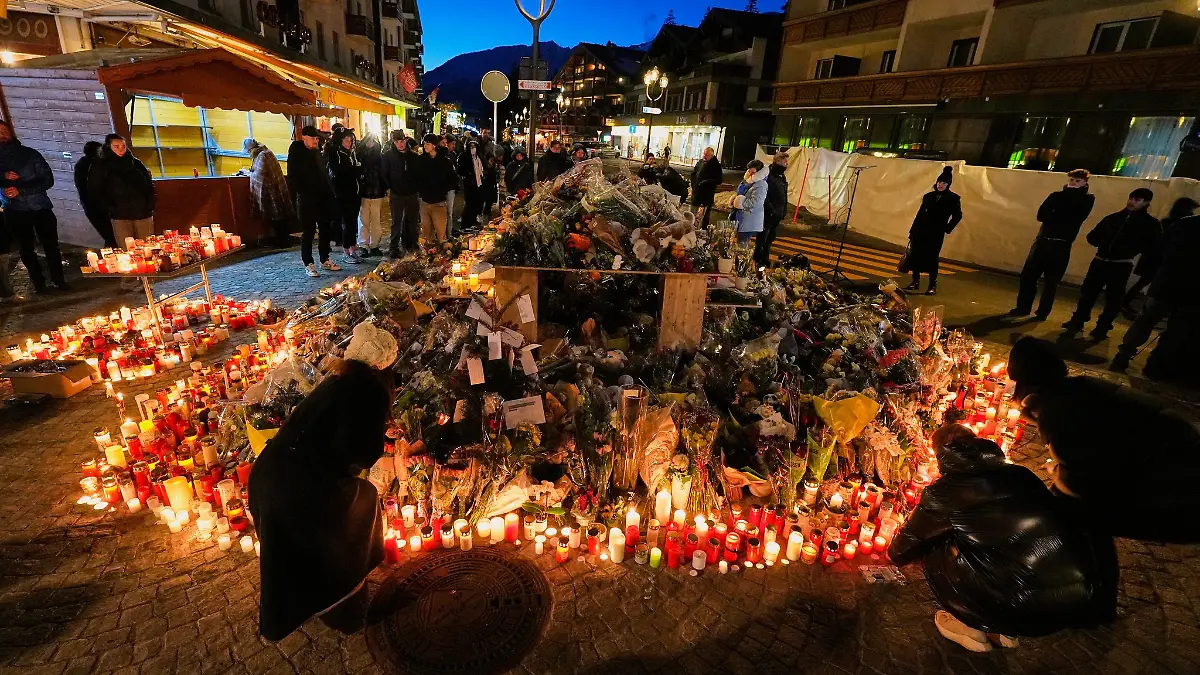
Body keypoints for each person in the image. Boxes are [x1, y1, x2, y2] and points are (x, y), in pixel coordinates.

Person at [889, 428, 1118, 652]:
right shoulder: (1021, 474)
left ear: (941, 455)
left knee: (935, 543)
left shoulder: (945, 492)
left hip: (1016, 605)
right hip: (1070, 600)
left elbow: (902, 550)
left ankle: (969, 626)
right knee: (992, 543)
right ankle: (1004, 632)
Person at [249, 321, 397, 641]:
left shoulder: (336, 381)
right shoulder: (370, 390)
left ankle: (324, 601)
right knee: (361, 503)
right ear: (383, 367)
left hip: (267, 476)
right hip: (301, 490)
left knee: (297, 546)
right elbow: (363, 453)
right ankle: (344, 599)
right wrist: (383, 439)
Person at [1009, 336, 1200, 542]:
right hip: (1184, 453)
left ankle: (1084, 569)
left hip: (1180, 493)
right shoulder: (1079, 388)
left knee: (1071, 517)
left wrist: (1056, 472)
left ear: (1028, 392)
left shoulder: (1055, 414)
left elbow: (1082, 486)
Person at [1062, 188, 1160, 339]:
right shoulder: (1114, 218)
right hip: (1100, 260)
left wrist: (1129, 247)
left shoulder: (1149, 224)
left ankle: (1103, 327)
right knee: (1088, 294)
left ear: (1146, 202)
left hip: (1121, 263)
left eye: (1137, 200)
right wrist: (1103, 242)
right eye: (1131, 198)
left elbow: (1152, 246)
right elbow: (1092, 236)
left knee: (1113, 299)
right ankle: (1078, 320)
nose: (1132, 202)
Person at [1111, 211, 1200, 374]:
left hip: (1166, 282)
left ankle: (1123, 355)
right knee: (1175, 329)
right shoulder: (1184, 224)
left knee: (1146, 321)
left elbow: (1158, 250)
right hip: (1192, 292)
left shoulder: (1184, 223)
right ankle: (1155, 364)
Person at [1010, 169, 1095, 320]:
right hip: (1043, 240)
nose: (1073, 183)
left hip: (1061, 244)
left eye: (1077, 181)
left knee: (1051, 281)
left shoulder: (1086, 199)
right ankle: (1023, 307)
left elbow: (1076, 217)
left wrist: (1057, 212)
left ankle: (1042, 312)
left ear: (1084, 183)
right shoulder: (1056, 196)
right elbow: (1041, 215)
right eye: (1072, 180)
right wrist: (1060, 214)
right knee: (1028, 276)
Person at [0, 120, 68, 294]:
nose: (2, 134)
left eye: (4, 130)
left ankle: (59, 280)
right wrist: (3, 176)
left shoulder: (30, 155)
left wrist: (21, 190)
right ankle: (39, 283)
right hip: (14, 210)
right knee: (26, 248)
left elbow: (47, 179)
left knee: (50, 245)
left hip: (40, 207)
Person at [1121, 197, 1198, 316]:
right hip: (1158, 260)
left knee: (1145, 283)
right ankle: (1129, 304)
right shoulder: (1175, 224)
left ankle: (1128, 303)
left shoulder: (1171, 222)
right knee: (1148, 284)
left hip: (1156, 259)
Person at [288, 125, 340, 277]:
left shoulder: (317, 152)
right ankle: (308, 263)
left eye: (317, 138)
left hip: (322, 198)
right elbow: (293, 177)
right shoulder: (296, 153)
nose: (315, 141)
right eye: (313, 138)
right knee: (308, 232)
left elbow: (323, 175)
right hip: (306, 199)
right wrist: (304, 192)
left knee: (325, 229)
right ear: (304, 137)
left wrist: (330, 194)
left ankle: (325, 259)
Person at [88, 133, 155, 250]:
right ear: (109, 146)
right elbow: (95, 189)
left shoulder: (136, 163)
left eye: (123, 146)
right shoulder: (101, 166)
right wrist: (109, 207)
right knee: (127, 249)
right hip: (119, 215)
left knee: (147, 247)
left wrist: (149, 204)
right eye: (116, 146)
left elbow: (148, 185)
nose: (121, 150)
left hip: (142, 212)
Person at [903, 166, 962, 296]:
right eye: (939, 182)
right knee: (915, 256)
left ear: (948, 184)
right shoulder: (928, 196)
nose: (941, 185)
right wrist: (912, 231)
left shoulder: (953, 198)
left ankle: (932, 285)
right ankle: (915, 282)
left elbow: (958, 215)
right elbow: (920, 214)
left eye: (944, 183)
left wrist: (947, 228)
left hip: (935, 233)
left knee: (932, 258)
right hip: (920, 231)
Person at [244, 139, 294, 248]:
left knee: (276, 217)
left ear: (251, 149)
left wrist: (249, 174)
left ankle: (283, 241)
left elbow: (260, 175)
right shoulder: (266, 153)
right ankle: (284, 240)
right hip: (277, 187)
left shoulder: (263, 156)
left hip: (272, 190)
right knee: (280, 217)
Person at [326, 128, 364, 264]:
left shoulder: (351, 153)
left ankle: (353, 248)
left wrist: (356, 171)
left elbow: (355, 170)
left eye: (350, 140)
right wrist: (356, 170)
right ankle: (347, 251)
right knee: (347, 223)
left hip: (355, 192)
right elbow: (342, 173)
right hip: (344, 194)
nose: (349, 143)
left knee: (353, 223)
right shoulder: (336, 154)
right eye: (346, 140)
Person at [383, 132, 420, 258]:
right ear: (394, 142)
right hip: (396, 193)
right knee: (396, 222)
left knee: (412, 220)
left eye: (403, 141)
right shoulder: (388, 156)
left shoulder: (413, 156)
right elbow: (385, 174)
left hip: (411, 193)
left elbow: (417, 174)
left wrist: (415, 187)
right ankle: (394, 247)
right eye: (398, 141)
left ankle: (411, 244)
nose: (401, 144)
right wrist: (390, 187)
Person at [417, 134, 458, 243]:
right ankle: (427, 257)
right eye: (424, 143)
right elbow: (415, 177)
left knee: (441, 236)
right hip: (425, 202)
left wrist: (442, 189)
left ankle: (441, 258)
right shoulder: (420, 160)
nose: (425, 146)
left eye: (428, 144)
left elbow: (453, 179)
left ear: (434, 145)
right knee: (426, 235)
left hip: (439, 202)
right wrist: (421, 190)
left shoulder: (444, 161)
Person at [73, 141, 116, 247]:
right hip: (99, 206)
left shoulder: (82, 164)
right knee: (111, 235)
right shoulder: (93, 165)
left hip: (93, 206)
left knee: (109, 235)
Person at [355, 134, 387, 257]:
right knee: (363, 219)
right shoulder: (360, 155)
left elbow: (383, 173)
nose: (370, 143)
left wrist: (383, 187)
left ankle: (374, 245)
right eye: (369, 141)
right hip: (364, 192)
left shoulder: (379, 156)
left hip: (377, 191)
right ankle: (363, 245)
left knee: (376, 220)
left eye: (372, 141)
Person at [758, 151, 790, 267]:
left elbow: (784, 194)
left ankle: (765, 258)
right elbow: (764, 195)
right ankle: (758, 260)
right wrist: (771, 210)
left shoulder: (781, 176)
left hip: (777, 214)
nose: (787, 164)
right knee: (762, 238)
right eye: (784, 161)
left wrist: (783, 210)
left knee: (770, 238)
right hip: (768, 214)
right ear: (777, 162)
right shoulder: (769, 175)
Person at [459, 140, 496, 232]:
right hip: (469, 184)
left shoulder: (479, 157)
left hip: (479, 184)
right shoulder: (464, 157)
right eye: (471, 146)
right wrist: (468, 176)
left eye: (474, 146)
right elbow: (461, 169)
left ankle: (473, 222)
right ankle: (466, 224)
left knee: (477, 204)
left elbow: (484, 168)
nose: (473, 148)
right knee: (469, 204)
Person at [732, 160, 768, 247]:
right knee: (738, 243)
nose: (751, 174)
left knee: (742, 245)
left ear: (759, 172)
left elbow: (756, 203)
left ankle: (741, 259)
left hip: (749, 219)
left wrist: (740, 202)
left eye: (753, 172)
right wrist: (734, 199)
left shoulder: (761, 184)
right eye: (749, 171)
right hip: (741, 217)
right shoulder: (747, 181)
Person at [691, 147, 722, 228]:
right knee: (692, 214)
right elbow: (694, 174)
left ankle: (702, 230)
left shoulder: (716, 165)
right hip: (696, 192)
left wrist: (706, 182)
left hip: (706, 195)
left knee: (703, 216)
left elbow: (719, 180)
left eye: (706, 155)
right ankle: (690, 228)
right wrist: (693, 185)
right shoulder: (700, 162)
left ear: (712, 155)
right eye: (704, 154)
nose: (704, 156)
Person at [444, 136, 460, 235]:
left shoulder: (452, 155)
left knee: (449, 213)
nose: (453, 146)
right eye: (452, 144)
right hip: (444, 188)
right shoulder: (444, 156)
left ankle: (449, 233)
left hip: (451, 188)